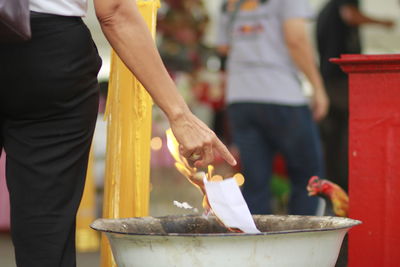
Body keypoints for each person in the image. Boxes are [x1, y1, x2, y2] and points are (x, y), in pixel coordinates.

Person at [0, 0, 236, 266]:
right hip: (49, 53)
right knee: (44, 230)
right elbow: (114, 10)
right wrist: (179, 114)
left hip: (47, 54)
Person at [217, 0, 329, 215]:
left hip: (241, 97)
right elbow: (296, 39)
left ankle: (257, 245)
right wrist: (318, 86)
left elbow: (223, 47)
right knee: (309, 178)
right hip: (282, 94)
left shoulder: (228, 3)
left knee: (255, 183)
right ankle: (303, 242)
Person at [316, 0, 394, 192]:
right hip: (341, 82)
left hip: (329, 82)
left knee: (334, 141)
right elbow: (350, 15)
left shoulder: (325, 10)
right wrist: (383, 23)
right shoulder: (341, 6)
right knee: (349, 138)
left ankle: (335, 191)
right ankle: (348, 189)